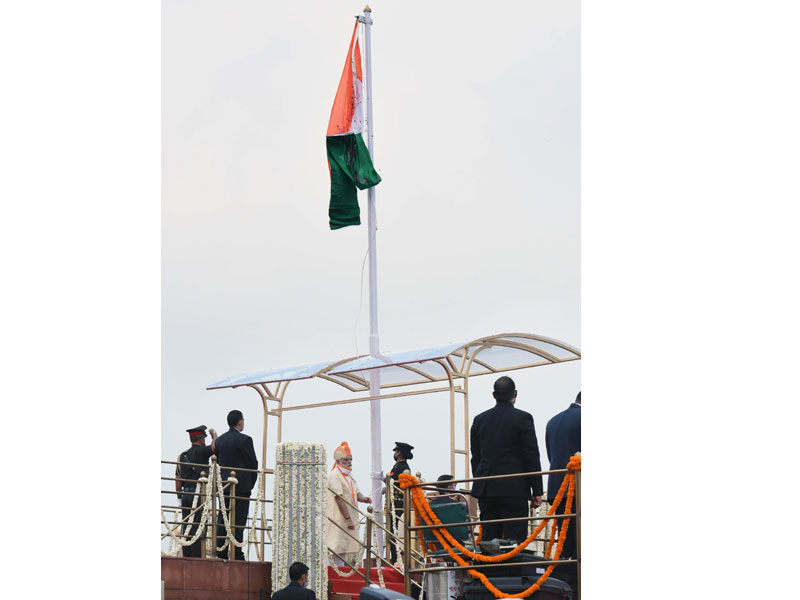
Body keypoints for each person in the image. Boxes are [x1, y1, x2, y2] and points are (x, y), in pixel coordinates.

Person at [470, 376, 543, 543]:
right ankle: (512, 569)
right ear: (515, 393)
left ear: (494, 395)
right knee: (514, 540)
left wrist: (480, 480)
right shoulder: (523, 418)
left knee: (489, 540)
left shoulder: (480, 420)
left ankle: (490, 569)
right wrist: (536, 490)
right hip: (514, 488)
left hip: (487, 488)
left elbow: (476, 457)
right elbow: (531, 454)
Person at [214, 409, 259, 560]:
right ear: (240, 422)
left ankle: (221, 549)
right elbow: (253, 464)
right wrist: (250, 484)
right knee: (239, 520)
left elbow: (219, 462)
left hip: (224, 486)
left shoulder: (220, 441)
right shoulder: (245, 440)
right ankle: (237, 552)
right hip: (241, 486)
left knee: (223, 517)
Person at [545, 391, 581, 558]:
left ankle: (567, 579)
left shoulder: (552, 421)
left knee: (565, 540)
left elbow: (551, 455)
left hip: (558, 487)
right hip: (578, 488)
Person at [327, 441, 372, 566]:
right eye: (346, 459)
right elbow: (339, 498)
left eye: (350, 459)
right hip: (338, 518)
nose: (349, 462)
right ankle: (330, 573)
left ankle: (339, 571)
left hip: (349, 517)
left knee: (344, 548)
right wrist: (348, 519)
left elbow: (356, 493)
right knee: (334, 545)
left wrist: (364, 499)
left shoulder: (349, 475)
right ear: (339, 460)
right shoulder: (334, 475)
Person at [175, 425, 217, 557]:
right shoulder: (201, 452)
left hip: (186, 494)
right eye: (203, 438)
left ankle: (186, 555)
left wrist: (179, 497)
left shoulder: (182, 456)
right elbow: (214, 447)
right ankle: (196, 556)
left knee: (186, 524)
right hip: (198, 494)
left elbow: (178, 478)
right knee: (198, 526)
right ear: (201, 439)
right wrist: (214, 436)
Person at [386, 441, 413, 564]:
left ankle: (397, 561)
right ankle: (394, 559)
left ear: (399, 453)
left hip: (399, 504)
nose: (395, 453)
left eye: (396, 451)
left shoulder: (404, 468)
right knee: (392, 531)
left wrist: (386, 481)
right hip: (393, 503)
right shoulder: (397, 466)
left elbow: (402, 485)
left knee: (395, 532)